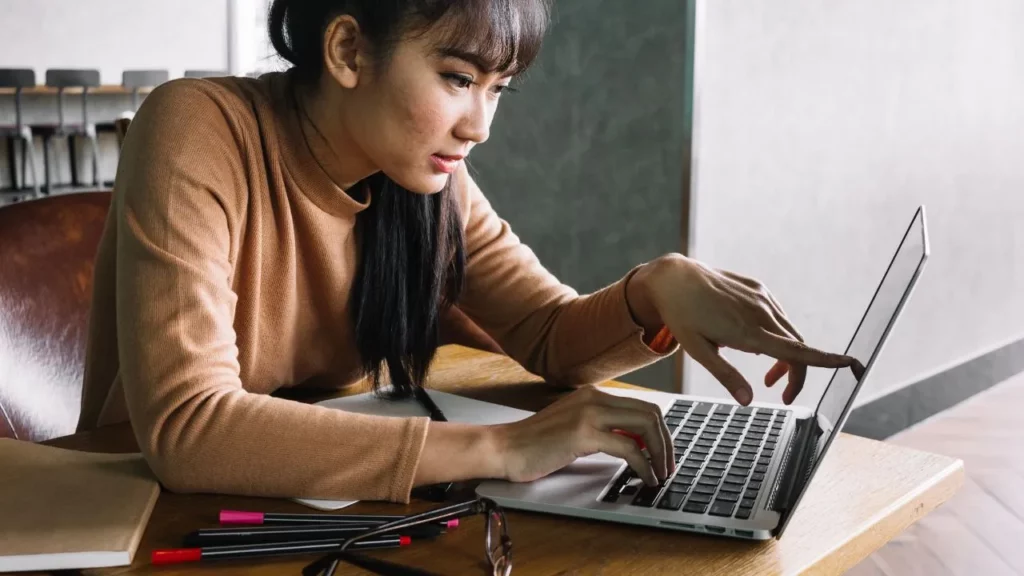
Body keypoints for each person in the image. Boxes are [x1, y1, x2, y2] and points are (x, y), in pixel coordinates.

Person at [77, 0, 853, 502]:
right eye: (458, 78)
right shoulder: (197, 129)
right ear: (347, 50)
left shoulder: (426, 183)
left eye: (498, 89)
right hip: (155, 518)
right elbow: (189, 430)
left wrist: (657, 288)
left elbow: (549, 336)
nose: (480, 125)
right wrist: (503, 447)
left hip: (317, 507)